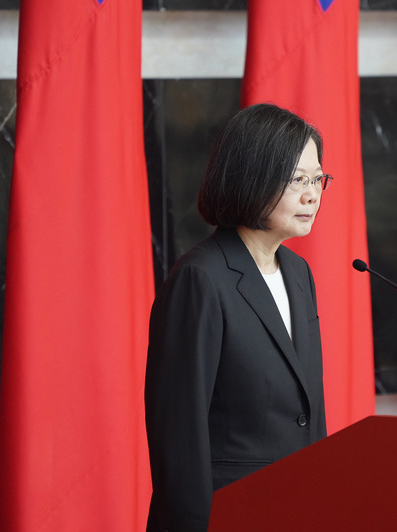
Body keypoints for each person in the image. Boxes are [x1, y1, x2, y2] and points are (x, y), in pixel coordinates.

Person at [144, 103, 332, 531]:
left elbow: (308, 412)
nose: (312, 194)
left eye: (317, 178)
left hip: (296, 509)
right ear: (252, 177)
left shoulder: (298, 273)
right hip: (229, 514)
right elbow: (178, 435)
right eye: (297, 180)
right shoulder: (201, 279)